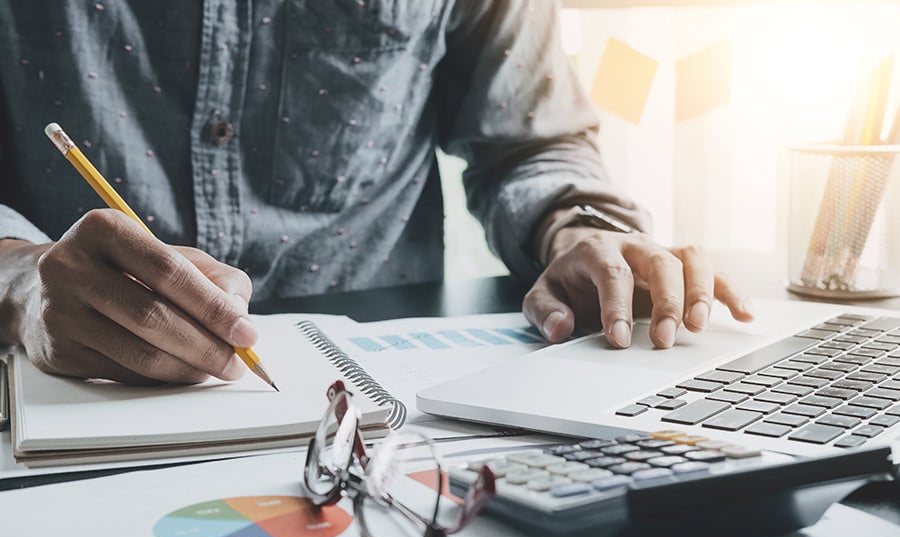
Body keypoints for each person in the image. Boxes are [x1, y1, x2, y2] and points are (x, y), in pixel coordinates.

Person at [0, 1, 752, 386]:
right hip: (60, 391)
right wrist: (18, 281)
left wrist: (577, 225)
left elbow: (530, 137)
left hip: (383, 413)